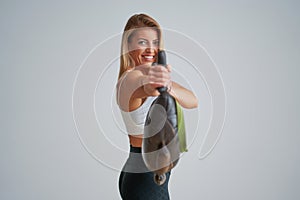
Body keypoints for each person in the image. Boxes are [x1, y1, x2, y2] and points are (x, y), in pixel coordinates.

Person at [116, 13, 198, 200]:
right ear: (128, 45)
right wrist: (156, 84)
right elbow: (148, 87)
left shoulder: (153, 75)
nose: (150, 49)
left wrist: (168, 86)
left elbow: (193, 100)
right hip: (145, 175)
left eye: (155, 42)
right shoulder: (130, 78)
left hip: (143, 171)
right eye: (143, 42)